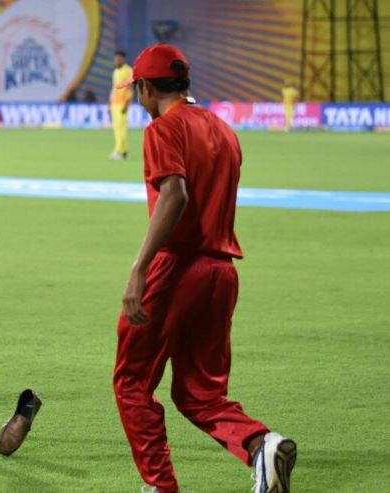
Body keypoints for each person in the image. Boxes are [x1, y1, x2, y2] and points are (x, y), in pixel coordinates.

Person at [112, 44, 297, 493]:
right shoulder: (224, 130)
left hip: (175, 269)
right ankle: (261, 445)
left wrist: (140, 268)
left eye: (138, 90)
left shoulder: (163, 129)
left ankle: (161, 486)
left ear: (146, 87)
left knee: (132, 381)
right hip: (221, 273)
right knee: (200, 393)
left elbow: (175, 194)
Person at [109, 50, 133, 160]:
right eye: (116, 59)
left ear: (123, 59)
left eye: (119, 58)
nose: (117, 60)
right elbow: (114, 89)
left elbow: (130, 88)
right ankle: (124, 152)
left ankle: (119, 151)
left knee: (121, 129)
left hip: (122, 104)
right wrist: (110, 104)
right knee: (117, 128)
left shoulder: (128, 71)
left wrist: (126, 104)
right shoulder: (115, 72)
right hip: (115, 103)